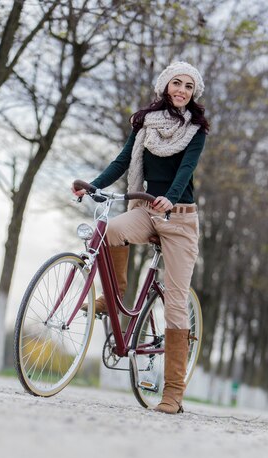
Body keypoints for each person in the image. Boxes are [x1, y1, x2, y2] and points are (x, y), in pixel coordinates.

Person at [72, 60, 209, 414]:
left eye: (188, 87)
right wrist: (93, 186)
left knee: (176, 303)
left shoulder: (196, 129)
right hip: (147, 210)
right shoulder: (145, 123)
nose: (181, 90)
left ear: (193, 93)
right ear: (164, 86)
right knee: (109, 230)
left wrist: (172, 197)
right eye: (176, 83)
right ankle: (113, 295)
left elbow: (185, 171)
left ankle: (173, 392)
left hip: (179, 220)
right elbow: (122, 161)